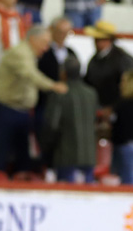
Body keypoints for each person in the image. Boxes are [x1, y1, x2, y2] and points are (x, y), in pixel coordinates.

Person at [0, 26, 68, 175]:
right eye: (45, 43)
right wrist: (53, 86)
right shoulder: (20, 53)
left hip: (22, 110)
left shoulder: (29, 54)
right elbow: (31, 75)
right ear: (33, 39)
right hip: (9, 109)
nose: (46, 48)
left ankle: (21, 183)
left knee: (23, 154)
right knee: (2, 151)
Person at [42, 55, 98, 183]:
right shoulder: (91, 93)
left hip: (66, 156)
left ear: (63, 73)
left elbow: (52, 125)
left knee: (67, 199)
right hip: (89, 156)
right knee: (88, 199)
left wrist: (45, 148)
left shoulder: (60, 93)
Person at [35, 17, 78, 150]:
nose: (63, 36)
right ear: (52, 30)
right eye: (60, 32)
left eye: (66, 32)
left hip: (66, 105)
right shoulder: (43, 52)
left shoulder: (71, 53)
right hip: (45, 104)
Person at [84, 20, 133, 109]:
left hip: (116, 109)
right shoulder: (94, 60)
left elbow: (129, 88)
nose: (95, 42)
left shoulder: (123, 59)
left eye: (98, 39)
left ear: (108, 40)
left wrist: (113, 108)